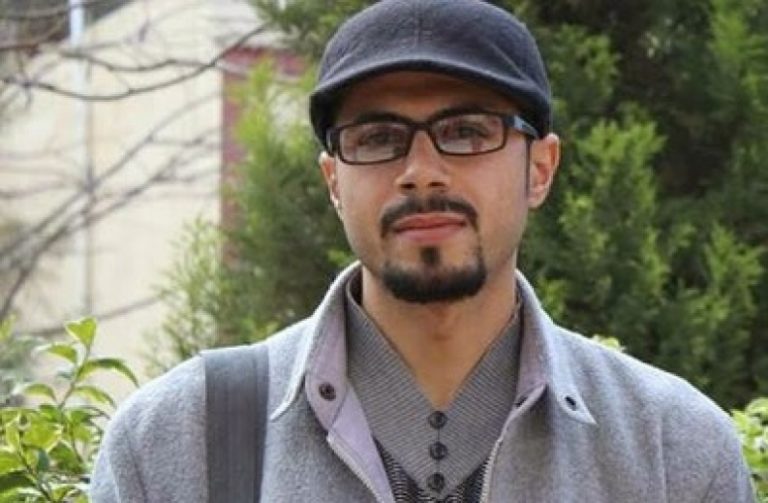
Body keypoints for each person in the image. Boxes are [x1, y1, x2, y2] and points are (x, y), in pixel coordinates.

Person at [90, 1, 756, 501]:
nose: (422, 171)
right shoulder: (176, 443)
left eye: (466, 131)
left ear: (540, 169)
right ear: (333, 182)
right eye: (379, 137)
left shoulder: (672, 451)